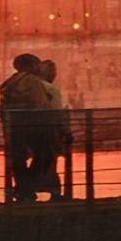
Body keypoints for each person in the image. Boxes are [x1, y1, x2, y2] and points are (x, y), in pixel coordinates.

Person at [0, 53, 53, 203]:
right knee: (45, 155)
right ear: (30, 65)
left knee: (18, 160)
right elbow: (41, 105)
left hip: (14, 127)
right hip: (33, 126)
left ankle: (23, 189)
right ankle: (27, 187)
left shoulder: (8, 82)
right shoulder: (32, 81)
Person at [34, 59, 73, 200]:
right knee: (51, 162)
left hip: (31, 132)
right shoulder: (52, 89)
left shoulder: (32, 87)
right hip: (50, 132)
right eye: (53, 72)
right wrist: (66, 131)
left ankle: (27, 189)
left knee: (38, 161)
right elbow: (57, 113)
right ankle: (54, 191)